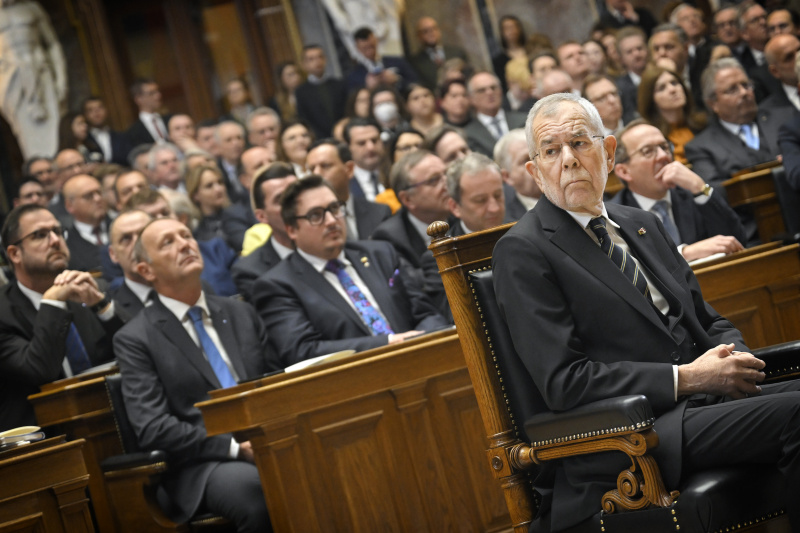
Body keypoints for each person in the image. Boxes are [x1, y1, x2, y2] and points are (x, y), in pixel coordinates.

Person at [492, 92, 800, 533]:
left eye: (580, 143)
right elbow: (565, 382)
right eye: (551, 150)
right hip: (639, 430)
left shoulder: (642, 223)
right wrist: (689, 378)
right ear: (534, 171)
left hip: (705, 402)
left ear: (609, 150)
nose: (569, 161)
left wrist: (735, 364)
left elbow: (707, 320)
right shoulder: (523, 251)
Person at [114, 217, 272, 532]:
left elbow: (274, 380)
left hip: (269, 439)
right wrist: (234, 447)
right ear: (146, 271)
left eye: (186, 235)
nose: (185, 243)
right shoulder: (135, 338)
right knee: (261, 491)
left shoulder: (239, 312)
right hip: (203, 463)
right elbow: (154, 427)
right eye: (168, 242)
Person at [252, 176, 447, 367]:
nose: (331, 221)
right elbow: (303, 351)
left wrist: (421, 342)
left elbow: (427, 314)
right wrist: (389, 343)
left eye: (335, 208)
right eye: (316, 215)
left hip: (422, 362)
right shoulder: (278, 285)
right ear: (292, 229)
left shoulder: (380, 253)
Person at [0, 204, 120, 430]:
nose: (55, 240)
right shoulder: (4, 312)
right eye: (40, 235)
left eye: (58, 231)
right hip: (47, 441)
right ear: (15, 253)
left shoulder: (89, 290)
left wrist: (102, 306)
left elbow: (136, 350)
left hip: (110, 420)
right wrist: (52, 301)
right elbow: (39, 370)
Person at [611, 120, 745, 261]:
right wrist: (684, 253)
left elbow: (737, 240)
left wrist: (700, 189)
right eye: (648, 151)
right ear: (624, 171)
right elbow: (629, 267)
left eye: (665, 147)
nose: (663, 156)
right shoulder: (615, 218)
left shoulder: (693, 194)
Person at [685, 58, 781, 192]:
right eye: (732, 89)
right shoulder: (701, 147)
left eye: (746, 85)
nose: (744, 93)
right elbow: (711, 193)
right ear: (713, 104)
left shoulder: (782, 118)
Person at [0, 0, 66, 159]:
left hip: (40, 72)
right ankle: (38, 170)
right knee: (24, 134)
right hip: (9, 77)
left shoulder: (32, 8)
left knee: (55, 131)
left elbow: (52, 44)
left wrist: (61, 81)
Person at [372, 150, 451, 268]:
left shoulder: (464, 214)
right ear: (408, 199)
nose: (447, 183)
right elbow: (416, 283)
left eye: (447, 174)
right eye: (434, 180)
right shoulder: (391, 238)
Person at [230, 163, 297, 299]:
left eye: (296, 196)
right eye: (281, 200)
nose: (293, 206)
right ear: (262, 216)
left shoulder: (332, 245)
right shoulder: (252, 272)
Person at [306, 139, 391, 241]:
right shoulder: (307, 221)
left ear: (349, 169)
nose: (317, 174)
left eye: (325, 166)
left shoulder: (379, 213)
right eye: (312, 169)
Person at [637, 66, 707, 164]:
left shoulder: (705, 123)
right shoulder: (652, 140)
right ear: (651, 101)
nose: (672, 89)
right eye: (662, 88)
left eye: (674, 83)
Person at [463, 71, 527, 157]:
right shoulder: (468, 135)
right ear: (471, 98)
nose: (489, 92)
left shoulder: (524, 120)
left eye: (493, 88)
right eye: (482, 90)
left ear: (501, 91)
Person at [107, 209, 154, 322]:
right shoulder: (112, 309)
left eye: (143, 233)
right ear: (113, 254)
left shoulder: (187, 287)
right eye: (126, 238)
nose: (136, 244)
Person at [445, 152, 507, 235]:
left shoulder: (519, 228)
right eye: (480, 200)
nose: (494, 208)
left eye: (497, 196)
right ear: (455, 207)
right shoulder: (446, 247)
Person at [295, 45, 348, 138]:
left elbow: (347, 111)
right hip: (318, 138)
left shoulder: (339, 84)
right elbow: (304, 119)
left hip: (343, 134)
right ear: (304, 64)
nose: (317, 61)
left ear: (325, 59)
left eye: (320, 57)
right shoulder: (301, 92)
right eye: (311, 59)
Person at [62, 174, 111, 272]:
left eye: (99, 192)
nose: (97, 199)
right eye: (88, 196)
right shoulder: (66, 245)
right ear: (69, 206)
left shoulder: (123, 228)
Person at [346, 27, 418, 92]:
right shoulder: (354, 75)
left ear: (376, 41)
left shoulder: (397, 62)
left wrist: (397, 80)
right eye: (365, 48)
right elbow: (354, 99)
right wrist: (367, 87)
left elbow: (416, 84)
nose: (369, 50)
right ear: (357, 48)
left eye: (371, 46)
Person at [408, 16, 468, 91]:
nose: (430, 33)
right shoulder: (415, 62)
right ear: (418, 36)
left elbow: (468, 74)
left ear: (439, 30)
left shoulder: (457, 52)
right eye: (425, 31)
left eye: (433, 29)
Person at [494, 129, 540, 219]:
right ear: (507, 177)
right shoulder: (503, 221)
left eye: (538, 155)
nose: (536, 164)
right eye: (526, 160)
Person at [185, 165, 230, 242]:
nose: (218, 189)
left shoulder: (242, 212)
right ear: (195, 195)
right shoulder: (199, 236)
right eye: (209, 186)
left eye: (220, 182)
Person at [615, 26, 649, 124]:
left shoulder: (662, 74)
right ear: (621, 58)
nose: (636, 54)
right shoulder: (619, 88)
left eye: (639, 48)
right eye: (629, 51)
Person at [83, 96, 131, 165]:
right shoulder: (84, 140)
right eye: (90, 110)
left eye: (99, 108)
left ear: (106, 110)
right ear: (85, 115)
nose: (96, 112)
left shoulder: (121, 137)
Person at [761, 33, 800, 113]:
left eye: (799, 50)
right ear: (775, 71)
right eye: (789, 57)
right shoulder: (768, 111)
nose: (798, 58)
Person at [125, 78, 170, 147]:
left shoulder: (171, 120)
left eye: (157, 91)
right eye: (151, 93)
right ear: (138, 99)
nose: (158, 96)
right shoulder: (133, 132)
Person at [214, 121, 249, 205]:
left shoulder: (252, 164)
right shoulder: (215, 171)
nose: (236, 143)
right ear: (218, 146)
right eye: (228, 140)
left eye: (239, 138)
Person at [492, 15, 527, 92]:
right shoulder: (499, 60)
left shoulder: (531, 51)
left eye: (514, 27)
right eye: (507, 28)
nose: (512, 31)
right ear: (502, 32)